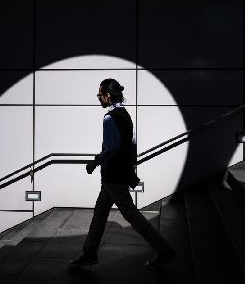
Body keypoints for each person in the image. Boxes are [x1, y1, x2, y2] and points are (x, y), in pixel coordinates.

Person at [69, 78, 175, 268]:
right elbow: (130, 145)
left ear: (108, 96)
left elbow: (111, 149)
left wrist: (94, 163)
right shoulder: (125, 114)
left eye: (100, 95)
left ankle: (163, 248)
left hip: (113, 177)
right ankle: (89, 253)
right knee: (100, 213)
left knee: (131, 215)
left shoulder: (110, 118)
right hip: (117, 175)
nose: (99, 99)